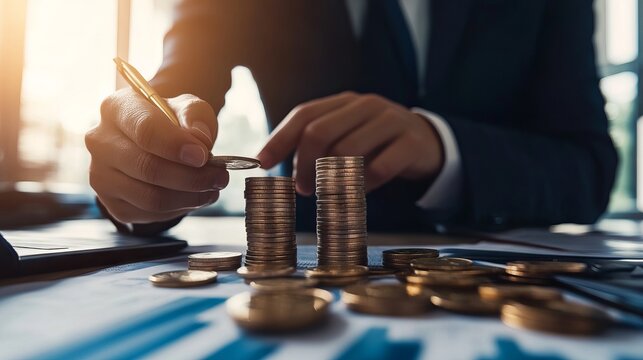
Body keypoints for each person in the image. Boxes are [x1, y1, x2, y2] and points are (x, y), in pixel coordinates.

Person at [86, 0, 617, 235]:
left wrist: (444, 145)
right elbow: (176, 90)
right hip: (302, 258)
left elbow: (589, 166)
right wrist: (139, 163)